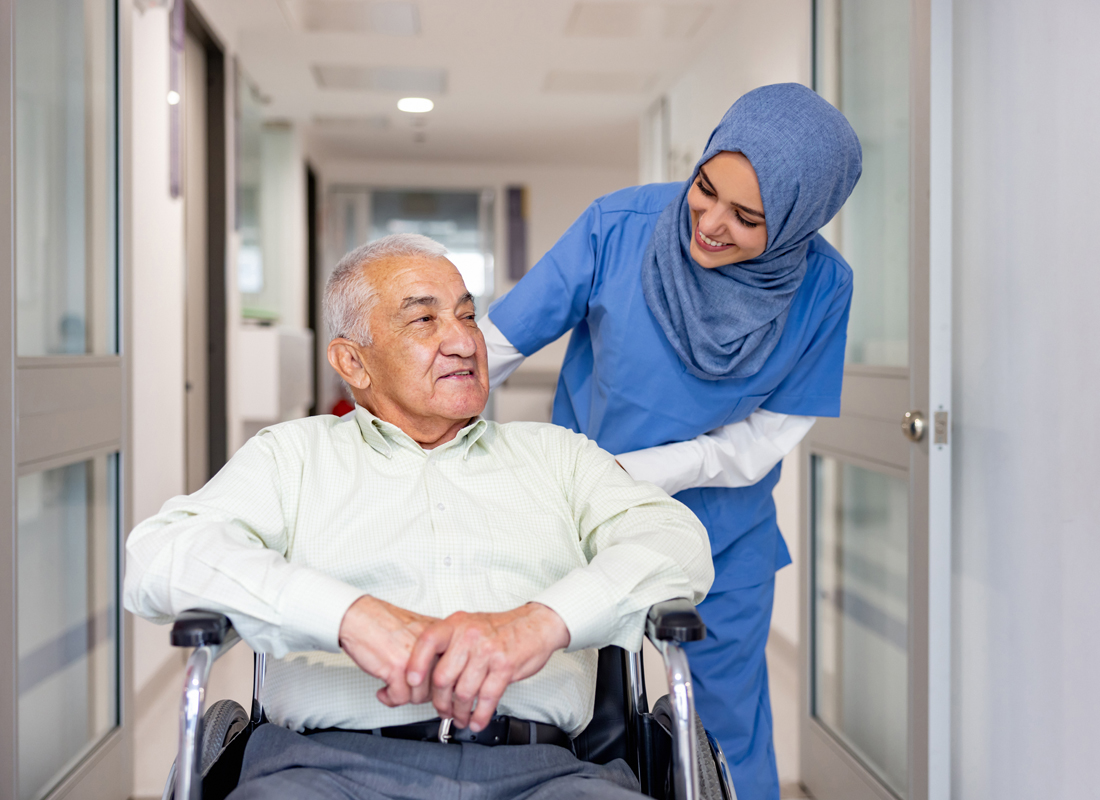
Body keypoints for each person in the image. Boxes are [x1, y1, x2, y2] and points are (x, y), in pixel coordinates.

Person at [124, 234, 713, 800]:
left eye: (467, 316)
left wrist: (541, 623)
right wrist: (350, 617)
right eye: (424, 320)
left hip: (545, 774)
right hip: (322, 771)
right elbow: (157, 556)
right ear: (353, 362)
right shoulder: (292, 456)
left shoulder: (559, 456)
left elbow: (676, 542)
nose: (463, 342)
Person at [483, 83, 862, 800]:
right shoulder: (619, 227)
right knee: (560, 711)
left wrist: (638, 470)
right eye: (705, 187)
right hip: (579, 521)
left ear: (796, 221)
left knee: (722, 731)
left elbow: (762, 442)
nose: (711, 223)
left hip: (722, 532)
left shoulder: (823, 288)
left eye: (747, 217)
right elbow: (496, 345)